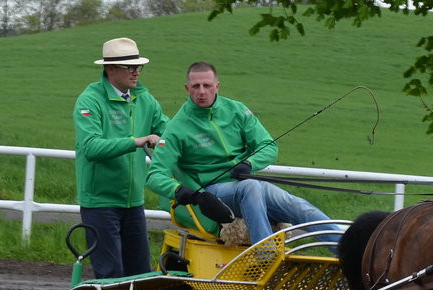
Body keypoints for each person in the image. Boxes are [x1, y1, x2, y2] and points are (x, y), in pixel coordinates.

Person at [146, 61, 341, 248]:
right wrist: (178, 190)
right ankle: (265, 256)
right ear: (187, 88)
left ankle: (348, 254)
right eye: (196, 86)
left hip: (249, 187)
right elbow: (155, 175)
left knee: (300, 207)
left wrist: (249, 164)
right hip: (215, 193)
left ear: (217, 86)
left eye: (207, 85)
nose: (202, 91)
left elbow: (268, 146)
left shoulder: (237, 110)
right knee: (250, 186)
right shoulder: (177, 127)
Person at [73, 37, 169, 279]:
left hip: (133, 201)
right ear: (110, 68)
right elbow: (91, 147)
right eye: (130, 67)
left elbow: (171, 132)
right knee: (111, 274)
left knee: (141, 274)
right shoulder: (90, 100)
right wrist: (136, 141)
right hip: (100, 203)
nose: (136, 72)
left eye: (138, 66)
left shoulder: (145, 99)